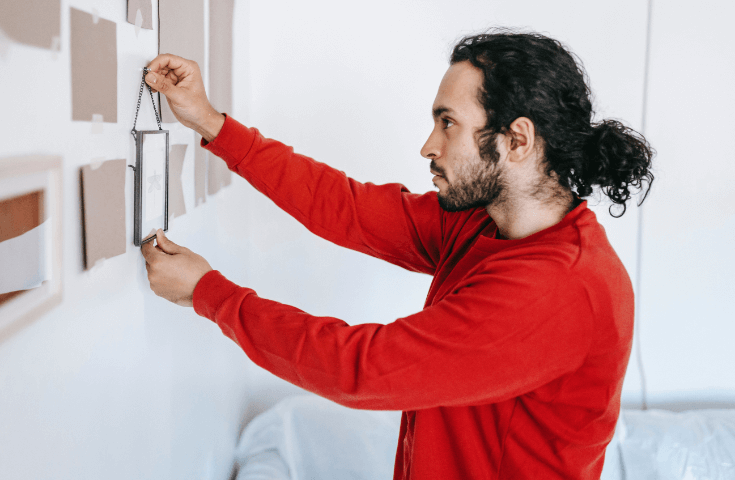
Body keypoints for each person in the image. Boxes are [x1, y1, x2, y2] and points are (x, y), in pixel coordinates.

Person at [140, 30, 654, 479]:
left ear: (516, 140)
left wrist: (209, 294)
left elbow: (359, 370)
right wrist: (210, 122)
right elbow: (349, 209)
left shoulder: (558, 288)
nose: (428, 146)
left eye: (447, 123)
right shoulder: (485, 221)